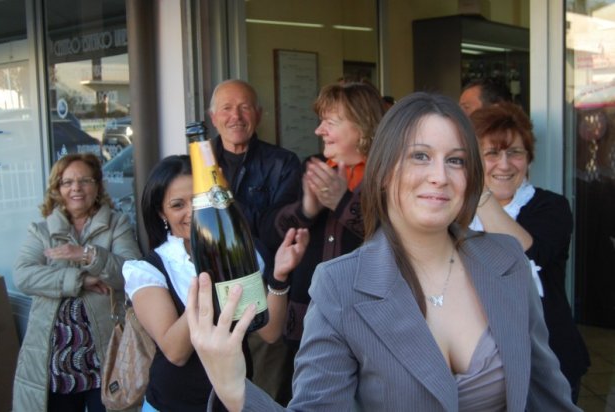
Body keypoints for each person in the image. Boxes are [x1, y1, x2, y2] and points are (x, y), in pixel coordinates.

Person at [186, 92, 580, 411]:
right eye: (420, 156)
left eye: (456, 160)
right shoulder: (340, 285)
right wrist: (234, 388)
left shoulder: (504, 259)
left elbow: (548, 398)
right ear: (386, 170)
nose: (439, 176)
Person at [122, 155, 308, 411]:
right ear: (161, 213)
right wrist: (212, 270)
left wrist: (279, 276)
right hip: (172, 405)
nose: (193, 212)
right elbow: (176, 352)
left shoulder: (243, 251)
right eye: (177, 205)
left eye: (199, 199)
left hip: (234, 401)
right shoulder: (148, 269)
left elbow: (270, 332)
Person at [255, 81, 384, 401]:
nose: (318, 130)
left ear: (363, 126)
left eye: (330, 121)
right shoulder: (313, 167)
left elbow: (393, 237)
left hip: (367, 326)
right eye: (320, 120)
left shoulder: (388, 176)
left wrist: (342, 202)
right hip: (304, 325)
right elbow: (268, 232)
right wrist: (306, 210)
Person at [469, 101, 590, 403]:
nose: (505, 164)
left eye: (515, 153)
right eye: (491, 153)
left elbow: (526, 254)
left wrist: (480, 194)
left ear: (529, 159)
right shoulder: (455, 213)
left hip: (547, 361)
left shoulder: (551, 207)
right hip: (480, 364)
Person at [12, 153, 141, 412]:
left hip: (105, 351)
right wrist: (80, 279)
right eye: (67, 182)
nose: (76, 188)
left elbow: (131, 271)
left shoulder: (116, 225)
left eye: (84, 180)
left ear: (97, 186)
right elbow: (23, 275)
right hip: (55, 354)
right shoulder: (42, 231)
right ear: (57, 189)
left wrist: (87, 255)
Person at [208, 79, 302, 401]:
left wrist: (223, 202)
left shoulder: (283, 163)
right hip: (212, 289)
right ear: (213, 117)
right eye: (226, 108)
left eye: (244, 107)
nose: (236, 116)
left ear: (258, 114)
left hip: (264, 288)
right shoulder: (197, 163)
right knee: (217, 389)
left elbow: (277, 228)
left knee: (264, 389)